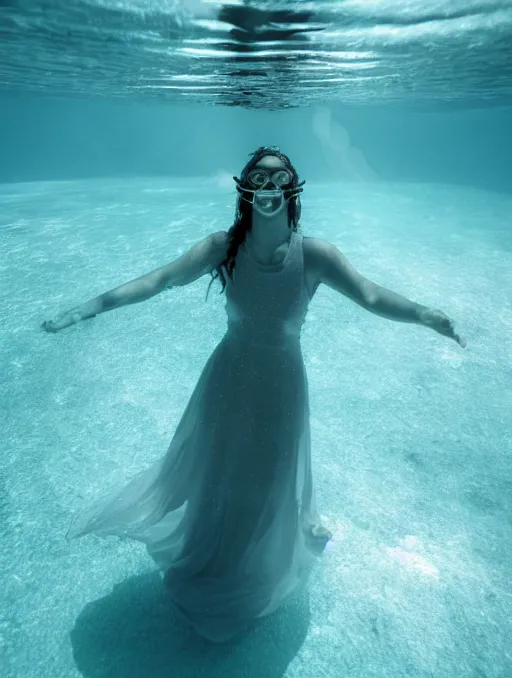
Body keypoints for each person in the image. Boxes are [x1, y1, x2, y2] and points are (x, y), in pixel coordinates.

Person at [42, 146, 465, 642]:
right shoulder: (223, 247)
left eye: (277, 177)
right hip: (227, 379)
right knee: (217, 475)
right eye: (258, 179)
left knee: (268, 482)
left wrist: (426, 314)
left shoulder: (317, 255)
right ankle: (211, 564)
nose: (268, 188)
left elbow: (371, 295)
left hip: (283, 386)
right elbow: (159, 280)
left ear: (292, 186)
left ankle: (250, 573)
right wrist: (88, 307)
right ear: (245, 188)